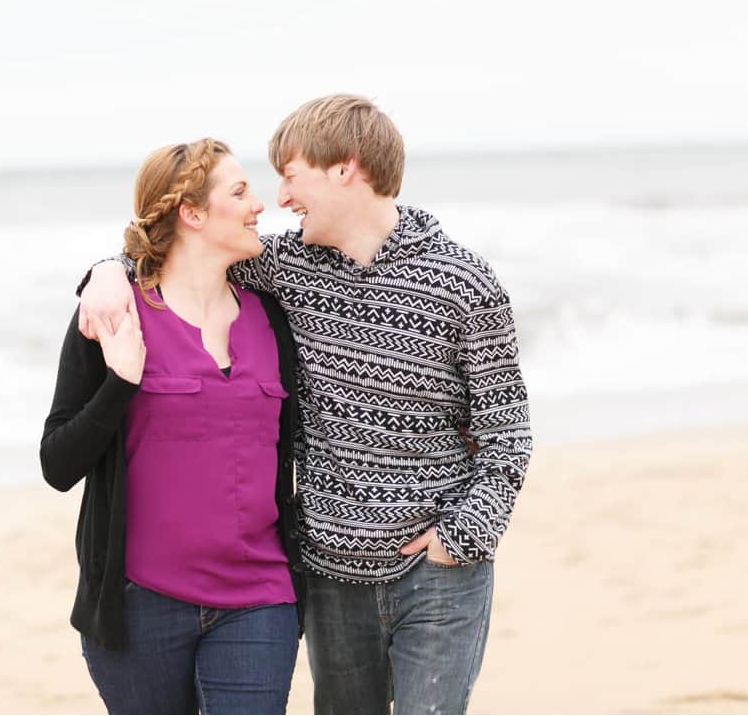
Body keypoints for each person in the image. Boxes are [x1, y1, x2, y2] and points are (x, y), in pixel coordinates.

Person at [79, 95, 533, 715]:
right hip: (330, 575)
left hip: (438, 574)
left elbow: (507, 435)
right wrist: (106, 270)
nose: (281, 198)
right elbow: (182, 248)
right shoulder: (285, 269)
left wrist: (461, 537)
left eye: (291, 176)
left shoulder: (464, 285)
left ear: (344, 169)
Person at [40, 138, 306, 715]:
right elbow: (58, 464)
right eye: (239, 192)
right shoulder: (114, 313)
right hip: (140, 607)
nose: (259, 204)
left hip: (259, 597)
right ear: (191, 213)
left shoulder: (272, 316)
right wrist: (120, 383)